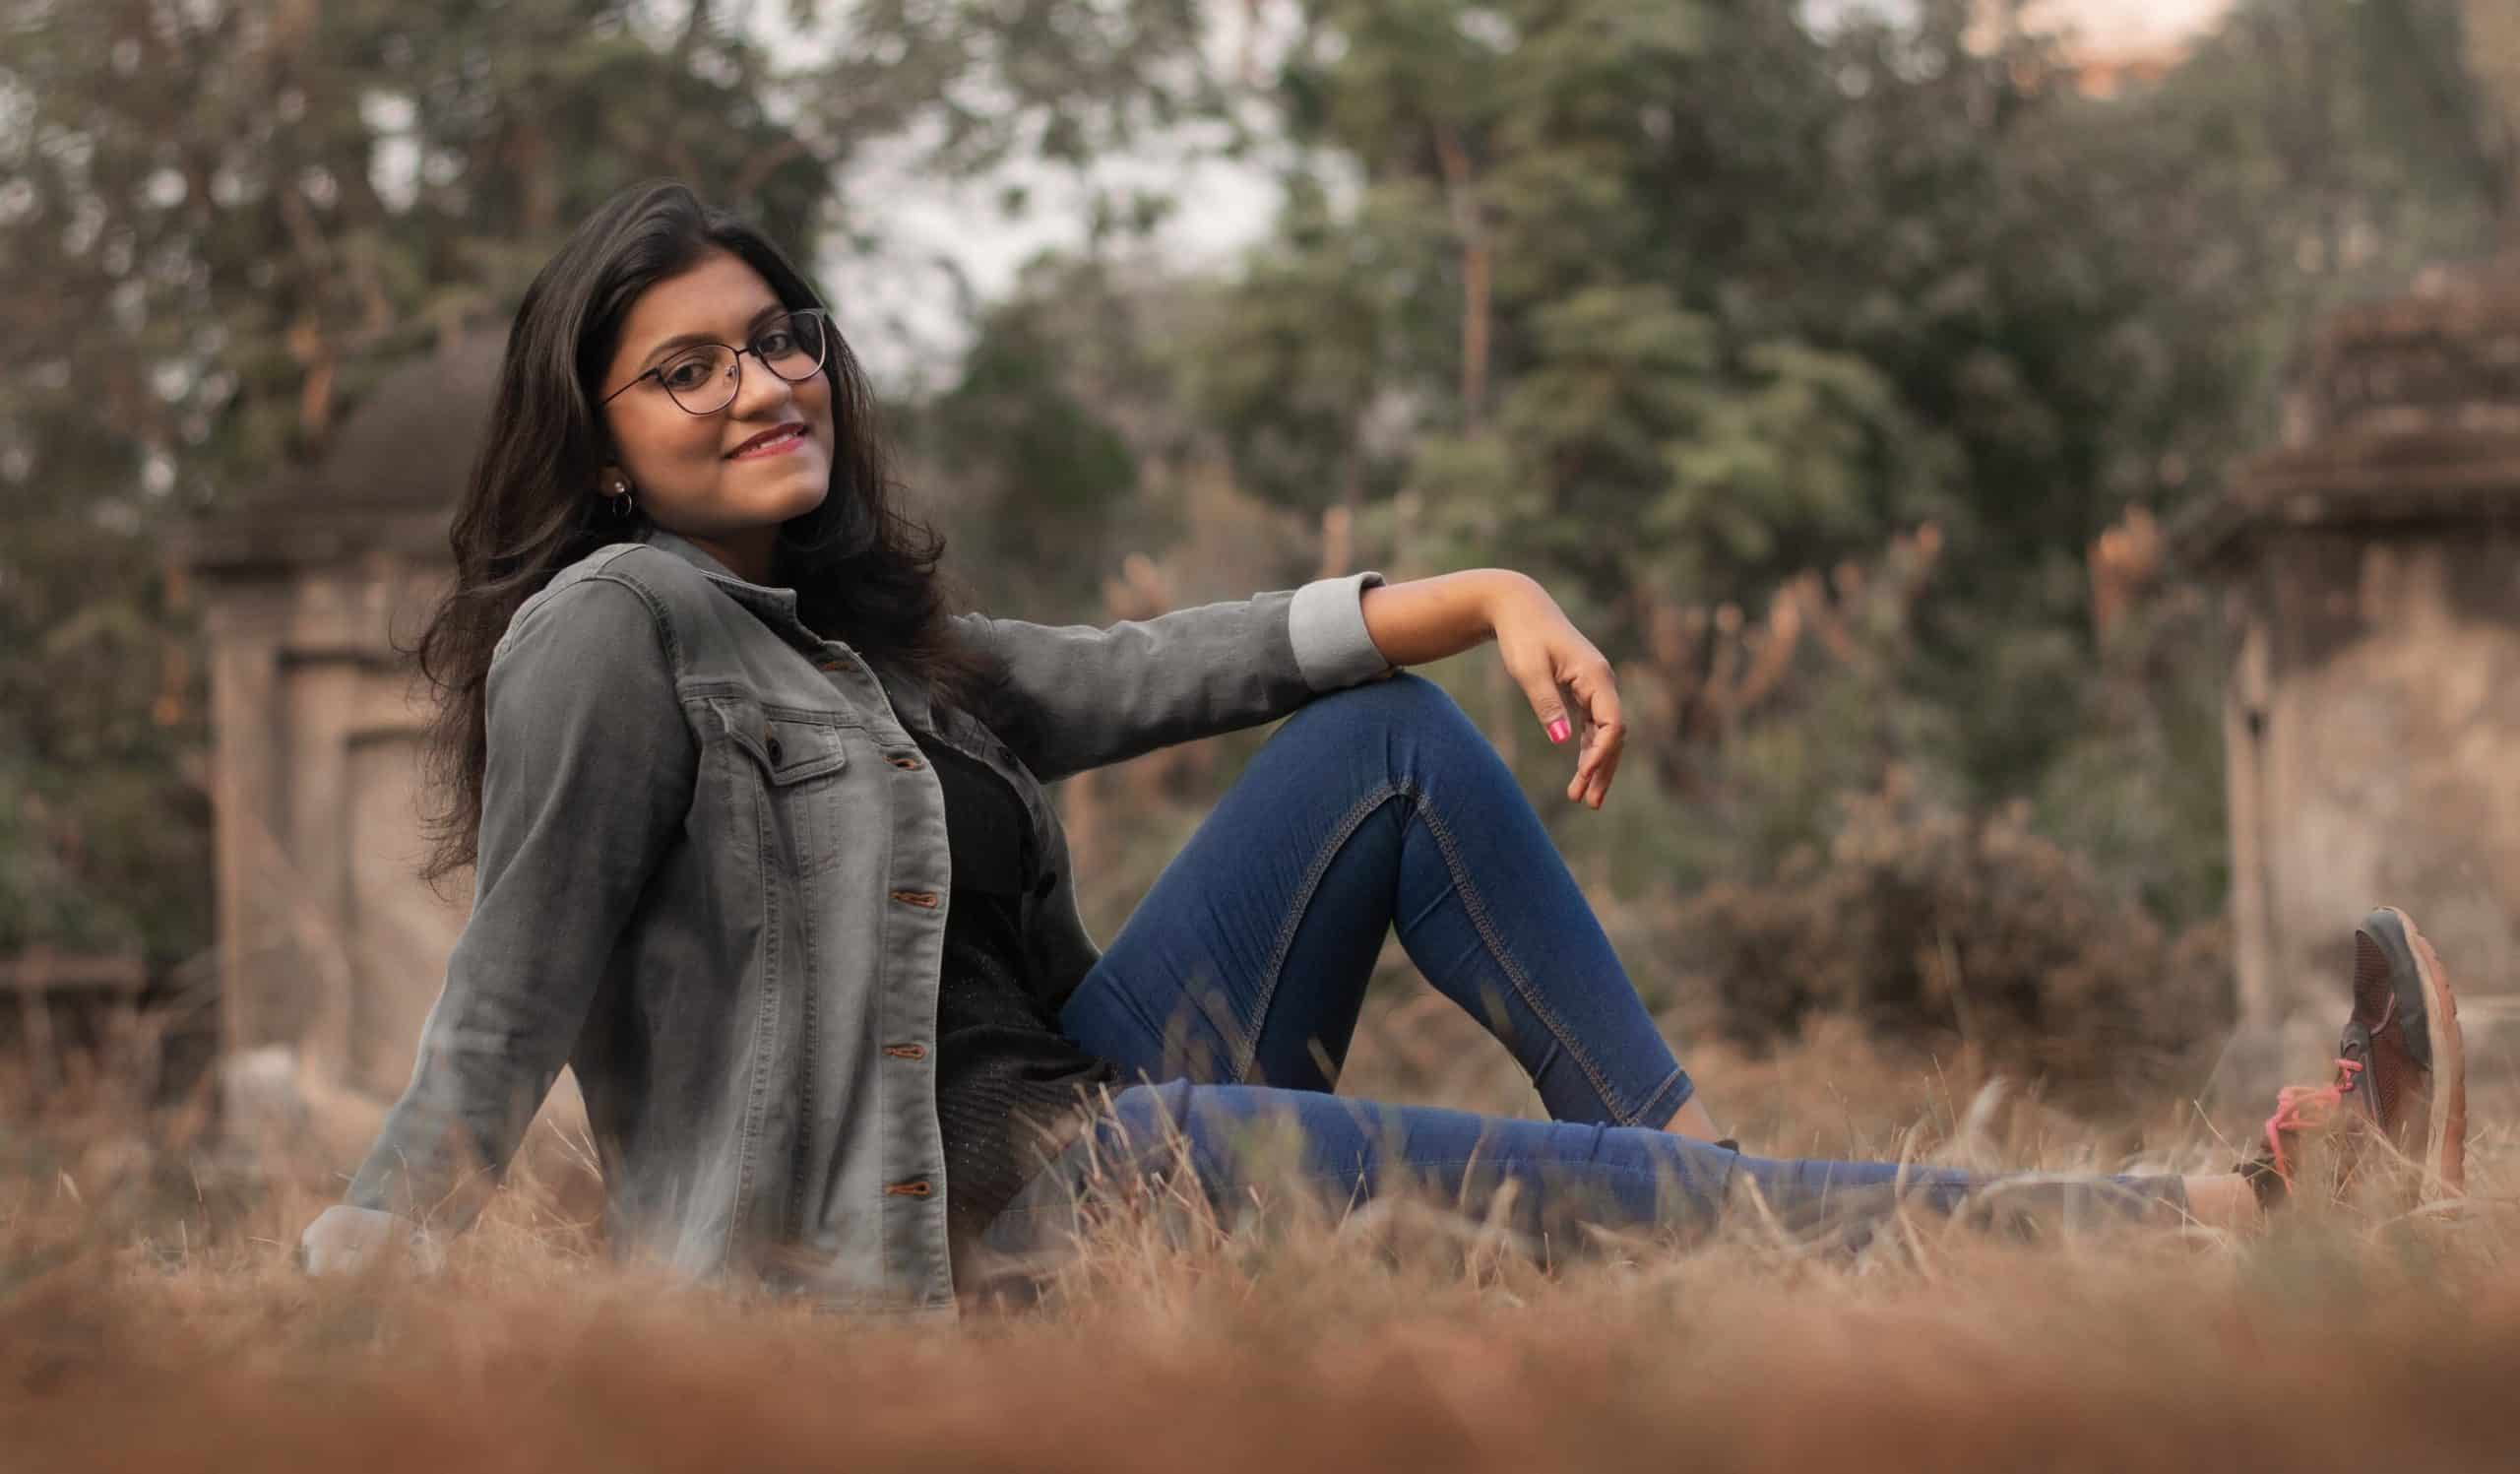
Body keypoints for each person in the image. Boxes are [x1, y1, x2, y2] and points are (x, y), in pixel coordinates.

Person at [297, 180, 2469, 1312]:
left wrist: (1490, 586)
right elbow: (499, 1013)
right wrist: (353, 1311)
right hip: (955, 1238)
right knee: (1565, 1199)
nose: (766, 381)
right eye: (690, 368)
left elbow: (1168, 662)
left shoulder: (864, 643)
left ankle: (1726, 1193)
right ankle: (2206, 1207)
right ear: (592, 443)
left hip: (1083, 1128)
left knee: (1386, 741)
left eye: (783, 336)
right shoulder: (607, 627)